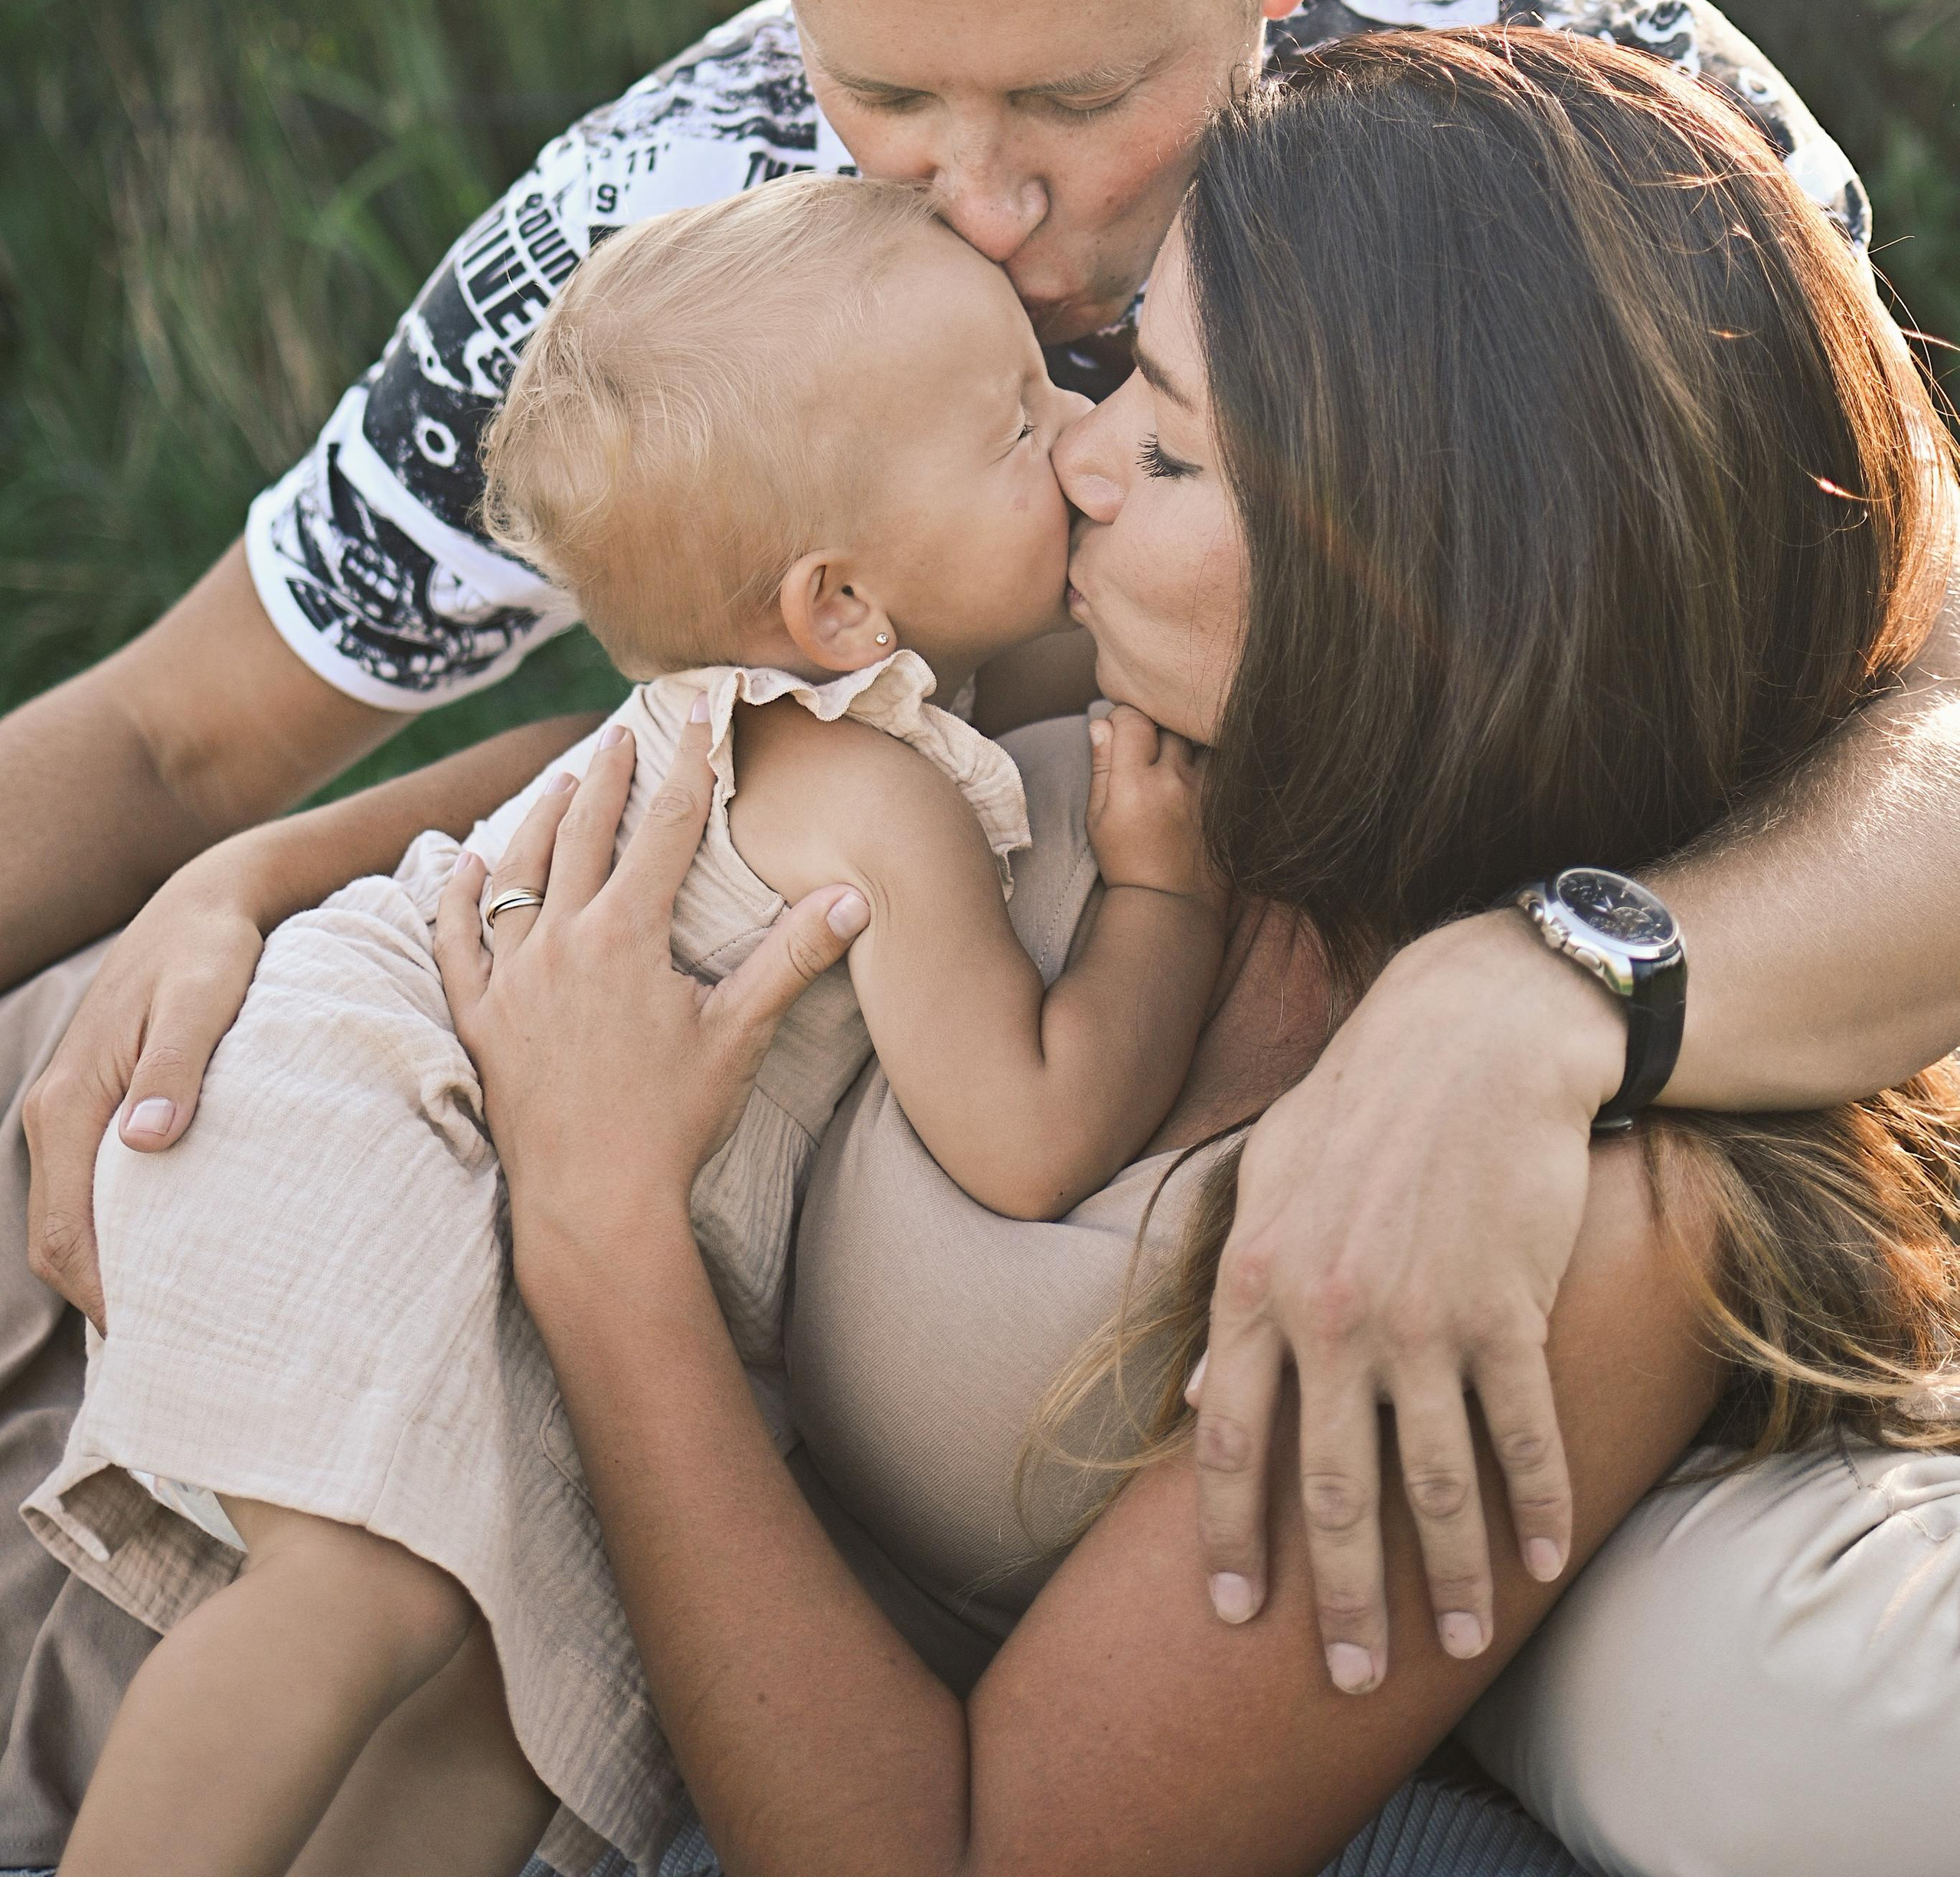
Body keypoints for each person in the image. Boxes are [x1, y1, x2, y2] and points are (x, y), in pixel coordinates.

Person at [4, 0, 1960, 1845]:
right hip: (318, 1145)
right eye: (888, 98)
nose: (987, 208)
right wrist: (248, 877)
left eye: (1074, 101)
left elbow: (1901, 693)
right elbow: (196, 732)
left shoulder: (1591, 184)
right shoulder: (707, 231)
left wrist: (1553, 997)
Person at [421, 31, 1960, 1877]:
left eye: (1158, 443)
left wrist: (601, 1245)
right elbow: (731, 709)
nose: (1072, 457)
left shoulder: (1543, 1217)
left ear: (1416, 591)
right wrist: (241, 880)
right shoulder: (1172, 723)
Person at [35, 174, 1219, 1877]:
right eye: (1020, 425)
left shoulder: (864, 696)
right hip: (381, 1094)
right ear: (837, 607)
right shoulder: (865, 791)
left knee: (509, 1701)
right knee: (361, 1593)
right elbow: (1029, 1138)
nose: (1087, 434)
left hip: (441, 1115)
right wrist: (1162, 892)